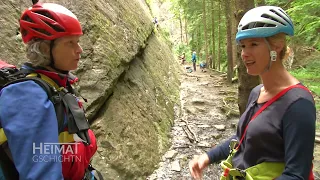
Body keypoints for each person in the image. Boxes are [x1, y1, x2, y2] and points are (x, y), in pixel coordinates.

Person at [189, 6, 315, 180]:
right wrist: (208, 157)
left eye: (253, 44)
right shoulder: (256, 93)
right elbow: (241, 140)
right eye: (243, 46)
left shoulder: (299, 104)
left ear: (276, 47)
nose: (244, 54)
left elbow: (296, 174)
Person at [0, 1, 99, 180]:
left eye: (78, 41)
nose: (79, 50)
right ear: (45, 48)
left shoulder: (54, 84)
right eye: (70, 43)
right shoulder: (27, 95)